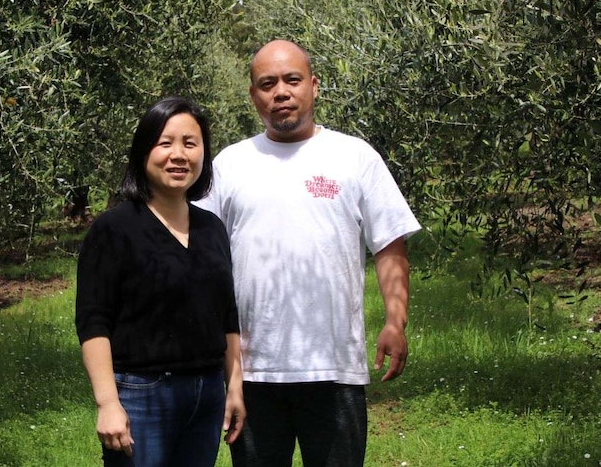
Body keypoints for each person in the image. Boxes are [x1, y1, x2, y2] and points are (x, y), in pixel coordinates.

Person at [195, 40, 422, 466]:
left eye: (292, 80)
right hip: (252, 374)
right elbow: (202, 260)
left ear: (314, 86)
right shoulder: (229, 164)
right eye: (268, 83)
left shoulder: (355, 157)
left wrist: (396, 321)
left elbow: (390, 244)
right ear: (253, 96)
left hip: (335, 370)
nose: (281, 91)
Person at [75, 96, 245, 467]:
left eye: (190, 143)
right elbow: (93, 320)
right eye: (165, 143)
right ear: (143, 151)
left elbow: (226, 315)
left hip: (207, 394)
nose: (179, 155)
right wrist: (107, 402)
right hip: (142, 393)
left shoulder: (211, 228)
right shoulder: (115, 228)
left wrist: (234, 385)